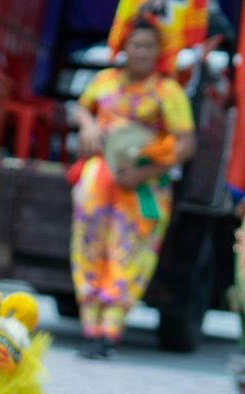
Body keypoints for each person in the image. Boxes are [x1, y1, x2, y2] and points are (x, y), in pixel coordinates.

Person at [71, 16, 196, 359]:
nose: (141, 52)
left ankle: (109, 333)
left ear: (159, 51)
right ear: (124, 47)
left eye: (148, 46)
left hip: (143, 188)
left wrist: (147, 172)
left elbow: (185, 143)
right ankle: (90, 328)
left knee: (129, 253)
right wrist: (88, 126)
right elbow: (80, 109)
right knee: (89, 246)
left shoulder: (167, 91)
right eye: (136, 44)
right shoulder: (104, 80)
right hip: (99, 182)